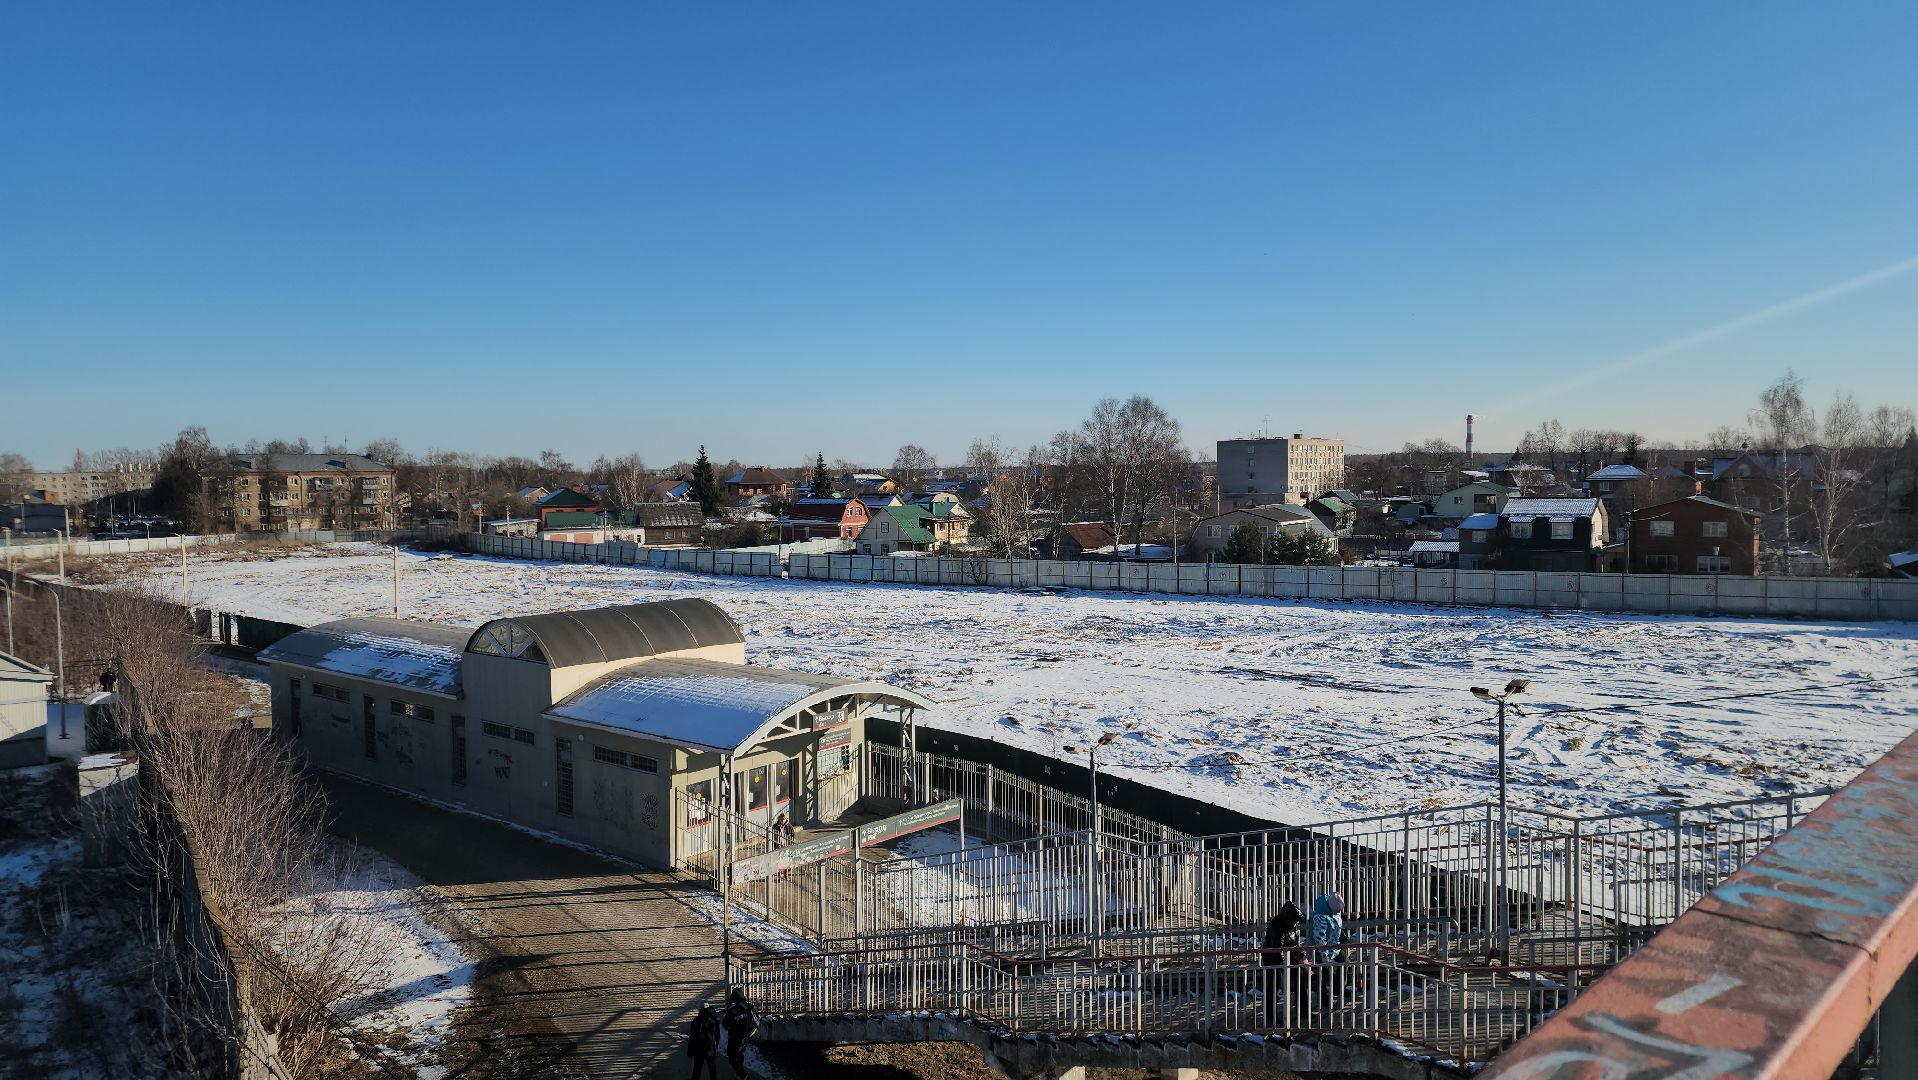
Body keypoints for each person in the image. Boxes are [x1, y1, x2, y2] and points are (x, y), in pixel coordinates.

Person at [1259, 899, 1306, 1022]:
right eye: (1294, 921)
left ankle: (1303, 1010)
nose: (1295, 924)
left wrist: (1300, 954)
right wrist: (1285, 968)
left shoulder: (1291, 924)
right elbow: (1277, 948)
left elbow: (1293, 942)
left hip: (1290, 957)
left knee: (1299, 980)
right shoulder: (1276, 926)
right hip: (1272, 958)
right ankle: (1270, 1014)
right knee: (1273, 984)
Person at [1306, 892, 1346, 1007]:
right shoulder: (1320, 916)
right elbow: (1319, 938)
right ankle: (1323, 997)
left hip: (1333, 947)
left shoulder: (1334, 910)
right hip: (1319, 950)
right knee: (1323, 972)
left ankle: (1338, 988)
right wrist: (1324, 956)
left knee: (1343, 960)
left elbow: (1336, 931)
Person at [721, 986, 758, 1076]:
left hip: (735, 1037)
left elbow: (725, 1024)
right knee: (740, 1054)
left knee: (732, 1057)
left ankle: (741, 1074)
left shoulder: (732, 1010)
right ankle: (740, 1073)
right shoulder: (748, 1006)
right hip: (745, 1036)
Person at [686, 1003, 721, 1080]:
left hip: (699, 1048)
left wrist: (690, 1051)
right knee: (712, 1067)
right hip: (711, 1047)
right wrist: (716, 1046)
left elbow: (693, 1037)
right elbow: (717, 1035)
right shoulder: (714, 1020)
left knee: (697, 1067)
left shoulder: (696, 1021)